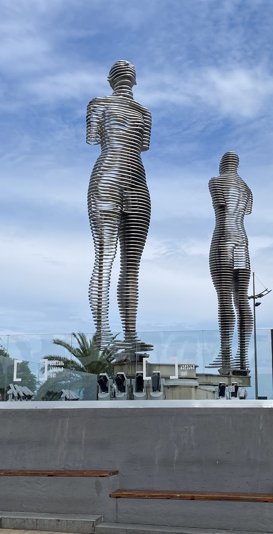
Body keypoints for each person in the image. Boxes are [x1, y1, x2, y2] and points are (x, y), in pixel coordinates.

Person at [86, 60, 152, 353]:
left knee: (119, 262)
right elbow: (140, 146)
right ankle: (104, 333)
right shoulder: (106, 105)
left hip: (123, 180)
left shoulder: (138, 111)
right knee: (113, 259)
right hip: (123, 180)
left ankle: (126, 334)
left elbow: (92, 138)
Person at [208, 151, 254, 375]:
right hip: (242, 243)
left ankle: (226, 360)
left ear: (222, 163)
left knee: (224, 297)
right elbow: (246, 211)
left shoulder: (216, 182)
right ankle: (242, 360)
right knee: (242, 298)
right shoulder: (247, 189)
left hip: (223, 239)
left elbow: (221, 206)